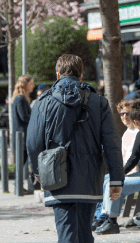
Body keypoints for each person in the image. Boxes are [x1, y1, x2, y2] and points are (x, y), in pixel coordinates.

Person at [27, 54, 123, 243]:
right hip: (89, 178)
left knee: (67, 235)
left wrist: (37, 171)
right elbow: (112, 143)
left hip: (56, 176)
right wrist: (116, 179)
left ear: (57, 75)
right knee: (85, 234)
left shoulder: (43, 102)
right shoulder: (99, 102)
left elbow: (32, 141)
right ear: (81, 75)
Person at [93, 101, 140, 235]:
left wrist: (119, 176)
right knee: (109, 180)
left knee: (114, 184)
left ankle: (111, 222)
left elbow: (133, 159)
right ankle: (106, 218)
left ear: (136, 122)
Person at [12, 74, 35, 191]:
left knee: (21, 162)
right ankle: (18, 186)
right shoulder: (20, 98)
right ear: (25, 84)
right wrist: (36, 117)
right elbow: (24, 117)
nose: (33, 86)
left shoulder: (21, 98)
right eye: (31, 83)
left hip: (21, 136)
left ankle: (18, 185)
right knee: (21, 162)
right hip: (21, 136)